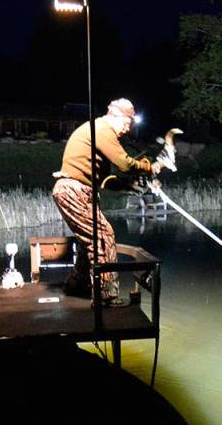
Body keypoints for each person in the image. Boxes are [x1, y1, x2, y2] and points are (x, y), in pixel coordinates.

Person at [52, 98, 160, 306]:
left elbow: (105, 180)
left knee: (89, 241)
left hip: (73, 190)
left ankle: (77, 283)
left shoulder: (98, 133)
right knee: (103, 236)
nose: (126, 130)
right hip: (73, 190)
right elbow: (125, 164)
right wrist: (148, 167)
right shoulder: (102, 129)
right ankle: (106, 296)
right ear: (116, 116)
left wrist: (129, 187)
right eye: (127, 124)